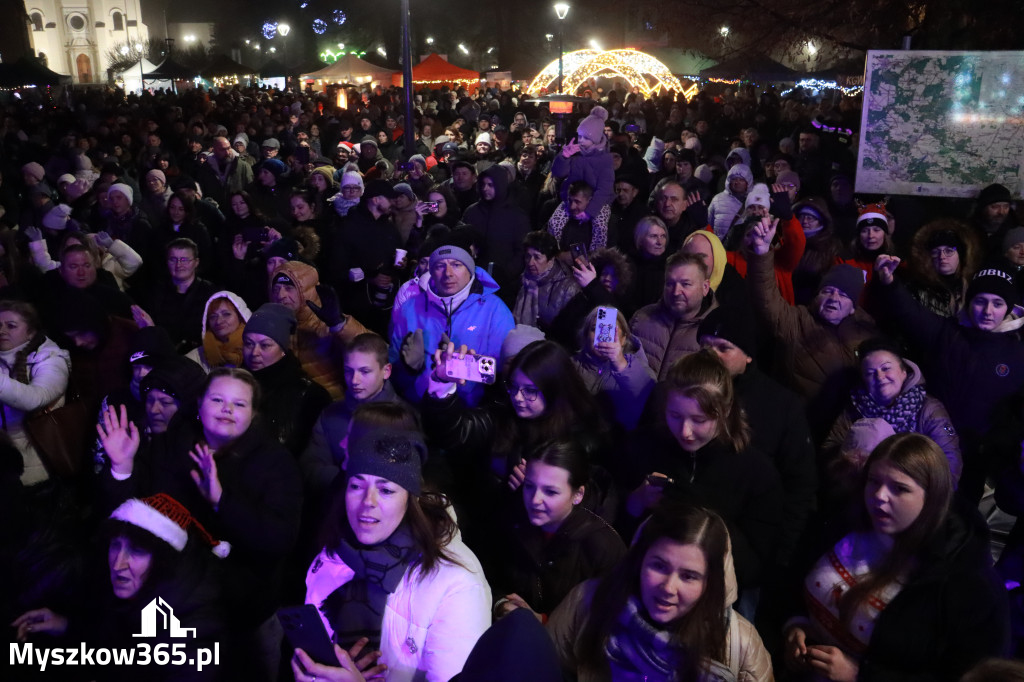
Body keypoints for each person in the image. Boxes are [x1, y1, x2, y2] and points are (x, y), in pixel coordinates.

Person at [96, 368, 303, 680]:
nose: (227, 410)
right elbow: (128, 518)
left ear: (254, 414)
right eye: (218, 399)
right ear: (199, 403)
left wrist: (222, 501)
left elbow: (279, 539)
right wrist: (122, 468)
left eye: (239, 404)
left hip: (241, 612)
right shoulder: (170, 445)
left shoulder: (276, 463)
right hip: (167, 600)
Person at [783, 433, 1010, 682]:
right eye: (874, 480)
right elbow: (794, 573)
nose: (879, 496)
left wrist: (862, 676)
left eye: (899, 488)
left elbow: (964, 675)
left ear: (931, 497)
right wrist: (797, 623)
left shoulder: (968, 583)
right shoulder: (846, 519)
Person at [300, 419, 491, 682]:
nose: (368, 502)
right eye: (356, 486)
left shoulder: (457, 585)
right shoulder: (334, 555)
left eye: (386, 490)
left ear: (411, 499)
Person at [546, 501, 773, 682]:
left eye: (688, 576)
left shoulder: (740, 644)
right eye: (659, 566)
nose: (668, 587)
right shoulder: (589, 603)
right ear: (639, 562)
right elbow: (548, 669)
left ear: (710, 583)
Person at [12, 493, 226, 680]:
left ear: (163, 561)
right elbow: (115, 642)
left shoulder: (191, 632)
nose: (117, 564)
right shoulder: (137, 587)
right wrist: (66, 625)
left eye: (137, 550)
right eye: (116, 545)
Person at [623, 350, 782, 598]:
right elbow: (618, 532)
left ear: (725, 411)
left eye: (699, 420)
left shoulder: (756, 472)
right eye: (675, 416)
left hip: (715, 592)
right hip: (647, 583)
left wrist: (702, 516)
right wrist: (636, 501)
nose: (685, 431)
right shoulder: (646, 446)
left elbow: (755, 567)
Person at [873, 256, 1024, 504]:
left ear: (1008, 308)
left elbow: (1016, 414)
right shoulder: (947, 333)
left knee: (961, 520)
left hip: (976, 459)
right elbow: (910, 313)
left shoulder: (1017, 355)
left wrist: (994, 444)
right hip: (930, 446)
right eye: (980, 301)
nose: (988, 311)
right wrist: (889, 282)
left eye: (997, 303)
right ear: (969, 303)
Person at [746, 217, 877, 440]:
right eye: (828, 291)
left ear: (853, 307)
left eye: (843, 295)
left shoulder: (867, 332)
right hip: (800, 428)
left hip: (846, 432)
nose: (834, 298)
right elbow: (766, 299)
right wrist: (761, 253)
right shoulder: (796, 320)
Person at [491, 440, 627, 619]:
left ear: (578, 495)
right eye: (530, 486)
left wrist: (545, 622)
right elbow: (486, 573)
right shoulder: (512, 517)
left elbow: (603, 623)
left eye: (551, 492)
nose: (534, 500)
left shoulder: (603, 547)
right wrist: (501, 603)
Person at [823, 338, 962, 494]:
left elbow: (950, 460)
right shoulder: (855, 406)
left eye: (886, 368)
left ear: (904, 372)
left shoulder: (929, 409)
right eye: (870, 373)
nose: (880, 377)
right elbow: (831, 448)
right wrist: (851, 459)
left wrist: (926, 497)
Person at [390, 242, 515, 407]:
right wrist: (408, 369)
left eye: (456, 265)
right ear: (431, 272)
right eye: (440, 266)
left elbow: (505, 374)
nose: (447, 273)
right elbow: (391, 373)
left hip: (469, 414)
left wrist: (460, 367)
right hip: (417, 410)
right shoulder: (410, 308)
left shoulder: (495, 310)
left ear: (470, 271)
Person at [301, 333, 407, 504]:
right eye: (349, 371)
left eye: (365, 371)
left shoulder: (403, 418)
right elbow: (310, 468)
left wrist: (352, 480)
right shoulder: (330, 415)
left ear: (386, 371)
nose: (354, 380)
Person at [242, 303, 331, 456]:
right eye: (249, 344)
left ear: (283, 349)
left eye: (265, 345)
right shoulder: (231, 384)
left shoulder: (310, 396)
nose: (254, 352)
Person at [0, 300, 71, 485]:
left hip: (38, 461)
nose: (2, 331)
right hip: (6, 461)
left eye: (11, 326)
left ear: (30, 332)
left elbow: (35, 398)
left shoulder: (50, 359)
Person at [630, 252, 718, 380]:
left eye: (686, 284)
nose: (676, 292)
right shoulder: (642, 318)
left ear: (705, 287)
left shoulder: (714, 334)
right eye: (670, 284)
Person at [572, 306, 656, 431]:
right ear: (586, 335)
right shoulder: (571, 364)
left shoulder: (637, 366)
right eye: (595, 329)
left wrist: (620, 363)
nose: (602, 335)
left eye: (611, 329)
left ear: (623, 339)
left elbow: (650, 399)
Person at [905, 220, 981, 318]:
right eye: (936, 252)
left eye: (949, 251)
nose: (942, 257)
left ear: (961, 256)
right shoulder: (916, 290)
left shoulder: (974, 287)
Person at [512, 231, 581, 333]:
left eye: (537, 257)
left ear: (551, 260)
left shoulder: (569, 288)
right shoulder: (522, 280)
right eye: (528, 256)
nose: (530, 262)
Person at [186, 291, 253, 372]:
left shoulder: (255, 350)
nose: (218, 321)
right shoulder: (197, 357)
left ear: (240, 316)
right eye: (213, 317)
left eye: (226, 314)